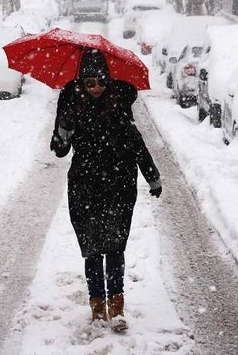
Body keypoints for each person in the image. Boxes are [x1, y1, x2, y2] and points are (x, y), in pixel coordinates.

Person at [50, 49, 162, 332]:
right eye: (90, 83)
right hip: (84, 187)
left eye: (100, 81)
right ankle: (97, 306)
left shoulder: (120, 104)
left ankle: (117, 305)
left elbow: (136, 144)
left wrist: (153, 176)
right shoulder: (71, 104)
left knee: (114, 247)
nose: (96, 87)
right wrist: (62, 133)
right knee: (91, 249)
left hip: (118, 185)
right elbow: (61, 151)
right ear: (82, 83)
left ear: (108, 79)